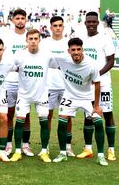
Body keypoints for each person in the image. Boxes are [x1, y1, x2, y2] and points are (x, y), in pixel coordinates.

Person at [52, 37, 108, 166]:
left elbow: (97, 84)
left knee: (98, 123)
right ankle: (62, 153)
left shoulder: (91, 64)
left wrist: (97, 105)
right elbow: (45, 58)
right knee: (62, 122)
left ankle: (100, 155)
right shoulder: (62, 59)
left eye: (78, 49)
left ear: (82, 49)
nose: (76, 52)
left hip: (87, 97)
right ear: (69, 51)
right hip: (69, 96)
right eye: (73, 50)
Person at [9, 29, 57, 163]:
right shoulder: (19, 55)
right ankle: (18, 151)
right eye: (31, 39)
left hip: (41, 95)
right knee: (19, 122)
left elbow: (60, 65)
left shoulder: (47, 55)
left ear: (39, 40)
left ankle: (43, 151)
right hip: (23, 95)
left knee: (44, 122)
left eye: (36, 38)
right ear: (26, 40)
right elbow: (10, 66)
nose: (33, 41)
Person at [76, 11, 116, 162]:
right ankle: (88, 148)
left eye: (94, 22)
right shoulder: (81, 40)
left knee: (107, 114)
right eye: (89, 22)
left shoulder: (105, 38)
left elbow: (111, 61)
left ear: (97, 23)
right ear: (85, 23)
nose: (91, 24)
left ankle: (111, 150)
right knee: (88, 115)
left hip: (103, 84)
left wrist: (97, 75)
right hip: (87, 85)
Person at [41, 16, 74, 156]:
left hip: (66, 85)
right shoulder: (44, 43)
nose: (58, 28)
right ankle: (46, 146)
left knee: (67, 116)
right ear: (51, 27)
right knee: (47, 115)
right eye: (55, 25)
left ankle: (67, 146)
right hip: (49, 84)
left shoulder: (68, 43)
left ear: (63, 27)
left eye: (60, 25)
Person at [3, 8, 33, 157]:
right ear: (13, 20)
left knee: (25, 113)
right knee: (9, 112)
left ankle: (25, 145)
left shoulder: (30, 37)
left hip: (25, 79)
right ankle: (8, 144)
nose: (20, 20)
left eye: (22, 18)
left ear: (26, 20)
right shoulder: (7, 37)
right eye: (17, 18)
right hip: (9, 79)